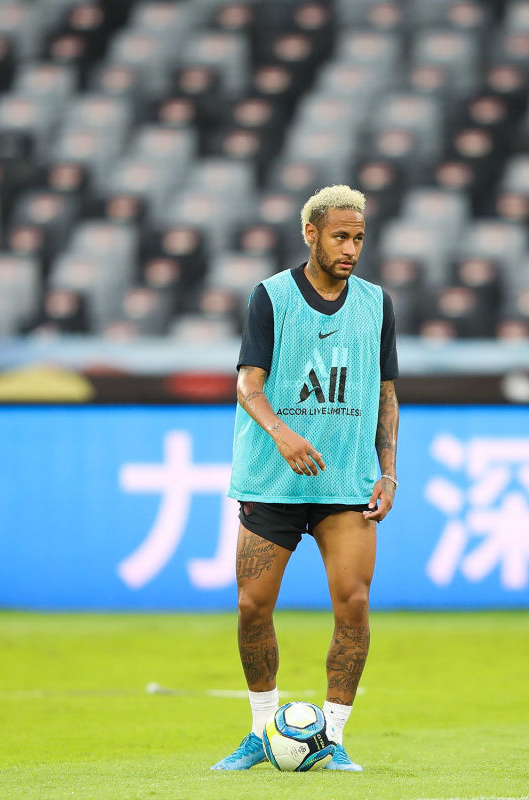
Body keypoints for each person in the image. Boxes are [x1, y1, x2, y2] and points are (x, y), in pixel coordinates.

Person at [211, 185, 400, 772]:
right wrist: (282, 434)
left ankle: (334, 735)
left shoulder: (376, 305)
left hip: (344, 485)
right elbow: (248, 384)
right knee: (251, 607)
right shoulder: (271, 298)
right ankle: (260, 730)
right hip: (273, 483)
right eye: (340, 236)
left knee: (354, 603)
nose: (351, 248)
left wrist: (389, 471)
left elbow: (387, 394)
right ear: (311, 234)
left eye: (360, 238)